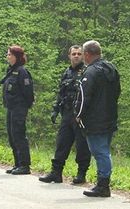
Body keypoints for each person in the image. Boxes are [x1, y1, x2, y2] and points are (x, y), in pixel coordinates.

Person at [39, 45, 91, 184]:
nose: (76, 56)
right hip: (67, 113)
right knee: (62, 143)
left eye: (79, 53)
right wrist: (55, 109)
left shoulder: (87, 72)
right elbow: (61, 93)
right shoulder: (66, 72)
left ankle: (81, 174)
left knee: (82, 146)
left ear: (83, 55)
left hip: (80, 115)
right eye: (73, 53)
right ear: (69, 56)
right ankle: (56, 173)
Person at [76, 40, 120, 197]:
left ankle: (103, 185)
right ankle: (103, 183)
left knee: (99, 151)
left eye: (82, 53)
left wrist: (78, 115)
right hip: (110, 115)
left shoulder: (91, 72)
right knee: (104, 150)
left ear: (87, 54)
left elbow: (83, 97)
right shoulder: (111, 69)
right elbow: (117, 92)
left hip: (95, 119)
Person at [0, 45, 34, 174]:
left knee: (19, 134)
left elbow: (28, 92)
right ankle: (17, 163)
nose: (7, 56)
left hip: (19, 108)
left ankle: (25, 165)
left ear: (16, 56)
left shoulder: (22, 72)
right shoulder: (11, 70)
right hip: (10, 108)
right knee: (11, 135)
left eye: (9, 54)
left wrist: (24, 106)